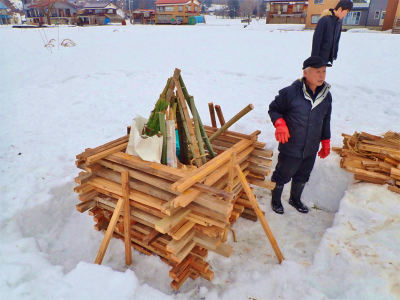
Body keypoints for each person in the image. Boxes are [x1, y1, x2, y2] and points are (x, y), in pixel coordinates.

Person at [268, 56, 332, 214]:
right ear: (305, 73)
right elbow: (274, 109)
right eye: (317, 72)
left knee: (303, 175)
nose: (322, 75)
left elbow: (326, 119)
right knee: (283, 174)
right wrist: (280, 124)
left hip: (311, 147)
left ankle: (295, 199)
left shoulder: (326, 95)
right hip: (291, 145)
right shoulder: (290, 93)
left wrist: (325, 140)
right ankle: (275, 200)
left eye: (324, 71)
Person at [311, 0, 353, 65]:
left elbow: (337, 39)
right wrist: (314, 59)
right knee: (316, 73)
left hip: (327, 56)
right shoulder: (325, 20)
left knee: (322, 74)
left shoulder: (339, 22)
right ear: (340, 9)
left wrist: (334, 52)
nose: (346, 14)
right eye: (345, 12)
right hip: (320, 55)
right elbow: (316, 40)